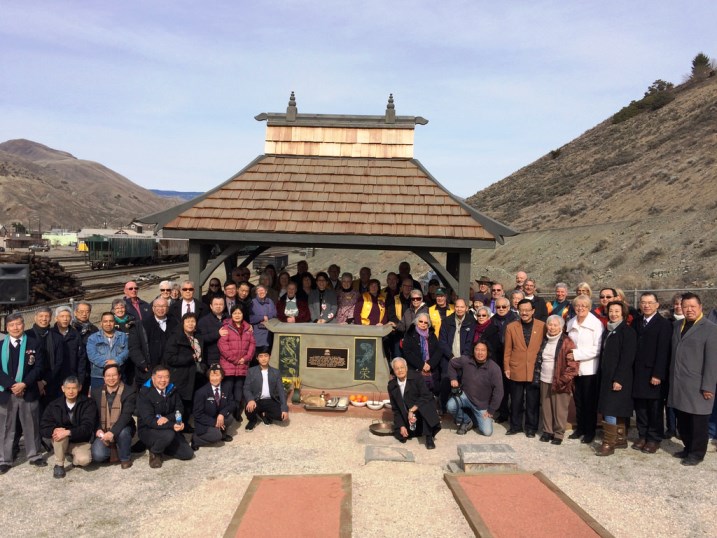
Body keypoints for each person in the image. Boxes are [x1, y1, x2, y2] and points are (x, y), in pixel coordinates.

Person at [668, 293, 717, 466]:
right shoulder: (677, 325)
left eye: (692, 306)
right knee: (684, 421)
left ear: (700, 307)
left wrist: (709, 387)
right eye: (685, 306)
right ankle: (687, 448)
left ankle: (697, 453)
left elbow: (712, 362)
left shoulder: (710, 329)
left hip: (698, 385)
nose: (689, 310)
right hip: (679, 383)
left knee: (698, 423)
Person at [0, 312, 47, 473]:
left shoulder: (34, 343)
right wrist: (12, 385)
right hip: (7, 393)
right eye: (11, 325)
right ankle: (5, 459)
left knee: (31, 424)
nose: (15, 327)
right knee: (6, 427)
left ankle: (34, 455)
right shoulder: (0, 346)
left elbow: (39, 367)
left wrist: (24, 384)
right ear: (6, 328)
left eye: (18, 324)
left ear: (23, 325)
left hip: (28, 391)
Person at [631, 292, 672, 454]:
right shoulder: (636, 322)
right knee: (640, 407)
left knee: (654, 408)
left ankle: (654, 438)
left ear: (657, 305)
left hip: (653, 374)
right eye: (643, 302)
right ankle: (643, 435)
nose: (646, 305)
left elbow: (663, 352)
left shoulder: (663, 324)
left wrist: (658, 374)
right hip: (638, 373)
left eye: (650, 302)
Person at [595, 301, 636, 456]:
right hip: (607, 376)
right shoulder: (609, 330)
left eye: (617, 311)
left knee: (610, 408)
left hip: (619, 377)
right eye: (611, 311)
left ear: (623, 313)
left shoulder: (627, 332)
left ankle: (608, 443)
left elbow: (627, 358)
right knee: (612, 407)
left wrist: (619, 379)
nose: (613, 314)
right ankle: (620, 438)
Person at [503, 299, 547, 437]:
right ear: (518, 310)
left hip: (535, 368)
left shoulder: (542, 326)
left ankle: (531, 428)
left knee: (533, 401)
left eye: (527, 310)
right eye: (522, 310)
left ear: (533, 311)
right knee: (516, 400)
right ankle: (515, 426)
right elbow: (508, 350)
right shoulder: (511, 327)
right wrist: (507, 367)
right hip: (517, 367)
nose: (525, 313)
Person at [136, 365, 194, 468]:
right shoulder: (145, 393)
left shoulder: (172, 389)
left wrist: (168, 418)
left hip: (167, 427)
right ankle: (155, 451)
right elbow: (149, 420)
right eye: (160, 377)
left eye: (166, 377)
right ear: (153, 378)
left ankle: (162, 445)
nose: (163, 380)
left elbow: (179, 409)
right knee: (169, 434)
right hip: (148, 429)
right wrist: (172, 425)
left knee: (187, 454)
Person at [40, 376, 96, 478]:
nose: (71, 391)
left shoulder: (88, 403)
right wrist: (54, 430)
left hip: (80, 440)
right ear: (63, 388)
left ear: (79, 388)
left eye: (74, 388)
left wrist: (68, 432)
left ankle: (70, 455)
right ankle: (59, 465)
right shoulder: (54, 405)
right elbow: (43, 426)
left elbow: (88, 427)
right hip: (61, 440)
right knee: (59, 434)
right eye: (68, 388)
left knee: (84, 460)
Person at [566, 294, 604, 444]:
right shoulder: (571, 323)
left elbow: (597, 349)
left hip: (589, 369)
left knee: (589, 402)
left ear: (589, 307)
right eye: (577, 306)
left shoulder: (596, 324)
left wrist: (576, 355)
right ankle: (580, 428)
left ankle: (590, 431)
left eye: (584, 306)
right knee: (578, 400)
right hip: (575, 369)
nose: (580, 308)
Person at [534, 315, 577, 445]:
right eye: (550, 324)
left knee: (560, 409)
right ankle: (547, 431)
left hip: (560, 380)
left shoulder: (567, 341)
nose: (552, 327)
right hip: (544, 377)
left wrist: (564, 379)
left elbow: (573, 364)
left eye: (555, 325)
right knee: (546, 407)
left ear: (561, 327)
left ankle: (558, 433)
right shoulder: (544, 340)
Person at [447, 342, 503, 436]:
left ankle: (474, 419)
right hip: (465, 396)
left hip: (481, 405)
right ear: (473, 350)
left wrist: (491, 410)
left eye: (483, 350)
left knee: (487, 432)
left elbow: (499, 392)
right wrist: (453, 378)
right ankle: (466, 420)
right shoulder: (466, 360)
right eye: (477, 349)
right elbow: (452, 363)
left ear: (487, 352)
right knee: (450, 406)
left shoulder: (494, 368)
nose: (479, 353)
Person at [387, 357, 441, 449]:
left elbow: (426, 395)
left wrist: (412, 410)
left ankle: (429, 436)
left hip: (420, 411)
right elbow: (396, 409)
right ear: (394, 371)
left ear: (406, 368)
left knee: (427, 403)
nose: (400, 370)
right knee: (401, 435)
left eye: (402, 367)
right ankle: (413, 430)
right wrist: (401, 425)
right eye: (397, 368)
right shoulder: (392, 385)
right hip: (408, 416)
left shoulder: (416, 377)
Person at [90, 363, 136, 469]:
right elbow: (93, 414)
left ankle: (125, 458)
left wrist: (112, 432)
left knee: (124, 432)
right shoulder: (96, 392)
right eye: (108, 376)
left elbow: (126, 416)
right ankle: (116, 450)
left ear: (119, 376)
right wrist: (98, 429)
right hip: (103, 429)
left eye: (114, 375)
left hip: (123, 427)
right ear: (103, 377)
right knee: (97, 455)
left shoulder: (129, 391)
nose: (111, 378)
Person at [163, 312, 204, 429]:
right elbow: (169, 358)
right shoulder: (175, 337)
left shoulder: (197, 336)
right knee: (181, 402)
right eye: (188, 321)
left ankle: (186, 423)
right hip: (181, 375)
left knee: (190, 401)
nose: (190, 324)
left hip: (196, 373)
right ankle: (180, 424)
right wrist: (189, 358)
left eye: (193, 321)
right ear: (183, 323)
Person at [218, 305, 256, 421]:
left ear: (243, 314)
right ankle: (226, 412)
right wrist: (235, 359)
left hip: (242, 365)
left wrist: (246, 358)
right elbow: (222, 346)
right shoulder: (226, 327)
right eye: (235, 313)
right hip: (228, 365)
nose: (237, 315)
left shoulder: (248, 329)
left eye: (239, 313)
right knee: (227, 389)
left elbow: (252, 345)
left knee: (239, 390)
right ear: (231, 314)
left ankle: (237, 411)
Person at [131, 298, 177, 388]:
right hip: (148, 370)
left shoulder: (175, 324)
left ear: (168, 308)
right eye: (158, 306)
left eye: (164, 306)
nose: (161, 309)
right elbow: (134, 347)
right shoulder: (141, 325)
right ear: (153, 308)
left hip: (171, 369)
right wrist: (142, 364)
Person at [191, 364, 236, 450]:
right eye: (212, 375)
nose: (215, 378)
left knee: (229, 417)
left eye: (217, 375)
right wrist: (215, 422)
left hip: (217, 416)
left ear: (222, 377)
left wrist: (222, 414)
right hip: (204, 421)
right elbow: (197, 414)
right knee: (216, 436)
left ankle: (222, 433)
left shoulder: (226, 387)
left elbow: (232, 403)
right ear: (208, 376)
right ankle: (196, 439)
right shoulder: (201, 392)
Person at [243, 347, 288, 430]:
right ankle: (253, 420)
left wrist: (284, 409)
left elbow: (281, 391)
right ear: (257, 358)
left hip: (270, 400)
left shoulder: (276, 372)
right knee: (249, 410)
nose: (263, 359)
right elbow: (246, 388)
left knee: (281, 416)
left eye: (266, 356)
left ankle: (264, 414)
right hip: (256, 400)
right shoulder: (251, 371)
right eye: (261, 356)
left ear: (269, 356)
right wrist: (250, 399)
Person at [86, 312, 129, 389]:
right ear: (101, 323)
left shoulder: (123, 336)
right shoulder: (92, 338)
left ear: (114, 322)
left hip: (119, 375)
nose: (108, 324)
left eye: (111, 321)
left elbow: (126, 351)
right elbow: (92, 355)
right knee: (99, 400)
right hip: (99, 376)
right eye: (105, 321)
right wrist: (108, 365)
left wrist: (116, 361)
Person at [401, 313, 442, 395]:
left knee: (432, 392)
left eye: (425, 322)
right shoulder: (409, 334)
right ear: (416, 322)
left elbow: (438, 350)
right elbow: (407, 352)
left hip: (431, 369)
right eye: (421, 321)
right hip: (415, 369)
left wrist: (430, 364)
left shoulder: (431, 335)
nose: (423, 324)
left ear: (428, 324)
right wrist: (422, 364)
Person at [51, 305, 85, 390]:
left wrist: (80, 380)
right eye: (62, 316)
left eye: (68, 316)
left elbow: (81, 358)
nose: (65, 319)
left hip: (71, 377)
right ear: (56, 318)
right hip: (53, 377)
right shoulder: (50, 334)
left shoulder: (76, 335)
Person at [71, 301, 99, 389]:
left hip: (90, 366)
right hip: (74, 367)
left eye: (87, 311)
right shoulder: (71, 328)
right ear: (75, 312)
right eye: (81, 311)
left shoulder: (94, 329)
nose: (84, 314)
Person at [197, 296, 229, 367]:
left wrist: (249, 326)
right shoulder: (203, 321)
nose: (218, 306)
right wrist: (217, 334)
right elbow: (201, 339)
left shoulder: (229, 319)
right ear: (211, 306)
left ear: (224, 306)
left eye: (220, 304)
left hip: (228, 358)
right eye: (216, 304)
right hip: (211, 359)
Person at [249, 285, 277, 351]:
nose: (261, 292)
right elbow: (250, 318)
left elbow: (274, 314)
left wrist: (267, 317)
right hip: (257, 334)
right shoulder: (252, 302)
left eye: (263, 290)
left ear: (266, 291)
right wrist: (262, 317)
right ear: (256, 292)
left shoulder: (270, 301)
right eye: (259, 290)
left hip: (269, 334)